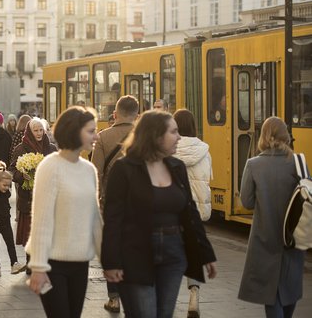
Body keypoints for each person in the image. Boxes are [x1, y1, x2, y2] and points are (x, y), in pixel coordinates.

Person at [102, 110, 217, 318]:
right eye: (173, 132)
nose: (179, 137)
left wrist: (206, 254)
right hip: (136, 253)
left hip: (173, 254)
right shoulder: (124, 169)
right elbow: (113, 219)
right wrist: (111, 262)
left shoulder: (177, 166)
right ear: (155, 136)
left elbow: (190, 212)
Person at [26, 106, 102, 318]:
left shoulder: (89, 170)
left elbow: (95, 220)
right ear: (73, 131)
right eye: (90, 130)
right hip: (52, 265)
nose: (96, 135)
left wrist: (109, 261)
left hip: (80, 263)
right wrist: (38, 267)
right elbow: (42, 220)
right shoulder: (50, 167)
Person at [238, 116, 306, 318]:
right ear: (286, 136)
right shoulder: (299, 162)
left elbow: (247, 202)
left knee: (271, 294)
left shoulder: (253, 165)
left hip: (264, 239)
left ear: (264, 137)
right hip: (293, 239)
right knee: (290, 290)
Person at [90, 95, 139, 314]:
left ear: (115, 114)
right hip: (139, 204)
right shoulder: (144, 137)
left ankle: (114, 297)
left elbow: (96, 173)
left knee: (112, 248)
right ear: (137, 115)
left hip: (111, 203)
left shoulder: (103, 137)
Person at [172, 108, 213, 318]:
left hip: (175, 212)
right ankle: (194, 296)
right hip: (196, 211)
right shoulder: (204, 151)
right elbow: (208, 177)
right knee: (193, 254)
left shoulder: (170, 150)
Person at [10, 118, 57, 273]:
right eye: (35, 130)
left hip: (47, 196)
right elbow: (11, 171)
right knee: (30, 231)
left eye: (41, 130)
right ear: (29, 131)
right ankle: (31, 263)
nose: (38, 133)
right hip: (28, 198)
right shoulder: (20, 149)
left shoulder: (51, 148)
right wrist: (22, 176)